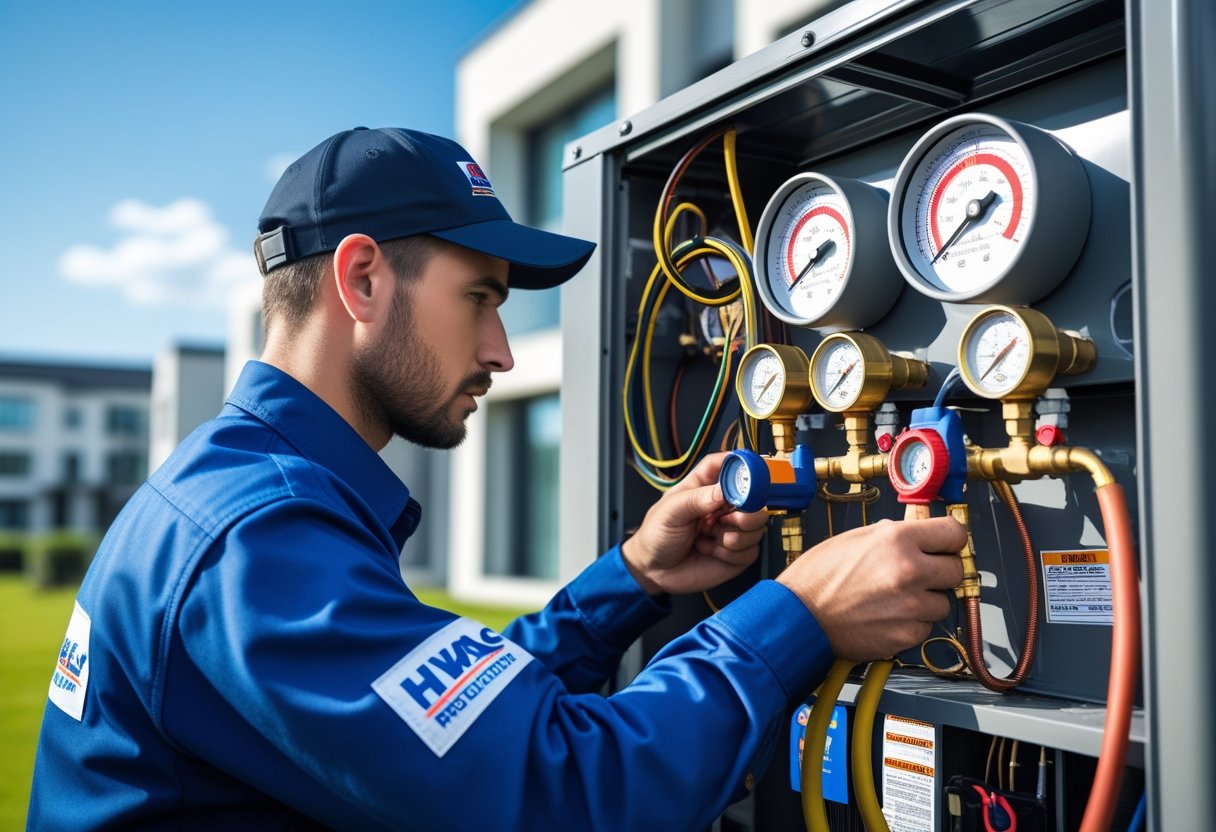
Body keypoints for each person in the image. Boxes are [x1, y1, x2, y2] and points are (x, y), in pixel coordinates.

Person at [27, 127, 965, 831]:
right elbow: (565, 795)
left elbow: (443, 726)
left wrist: (630, 578)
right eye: (479, 298)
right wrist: (797, 616)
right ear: (361, 281)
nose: (502, 352)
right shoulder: (260, 541)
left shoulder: (244, 492)